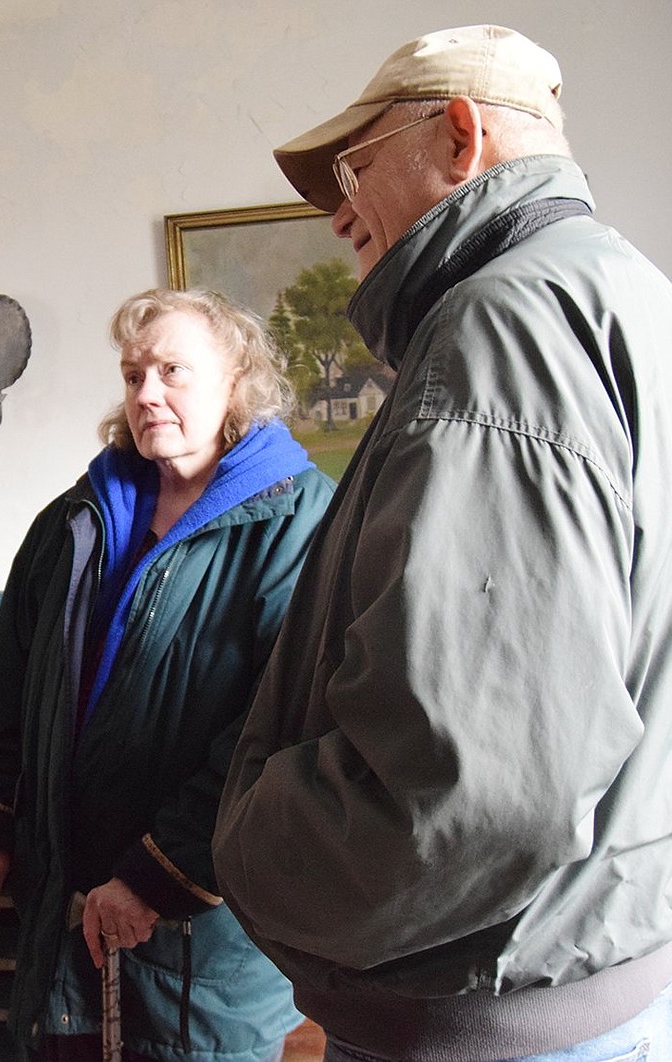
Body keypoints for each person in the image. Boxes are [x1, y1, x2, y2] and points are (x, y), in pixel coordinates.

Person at [213, 23, 672, 1062]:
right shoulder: (630, 295)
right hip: (605, 972)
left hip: (499, 1016)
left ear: (460, 139)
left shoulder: (500, 328)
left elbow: (481, 783)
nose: (337, 212)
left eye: (355, 165)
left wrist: (245, 841)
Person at [0, 287, 335, 1061]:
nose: (146, 394)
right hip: (62, 918)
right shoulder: (72, 519)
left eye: (171, 372)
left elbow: (280, 730)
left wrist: (158, 877)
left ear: (237, 379)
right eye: (132, 376)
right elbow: (7, 690)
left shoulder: (302, 521)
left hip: (199, 941)